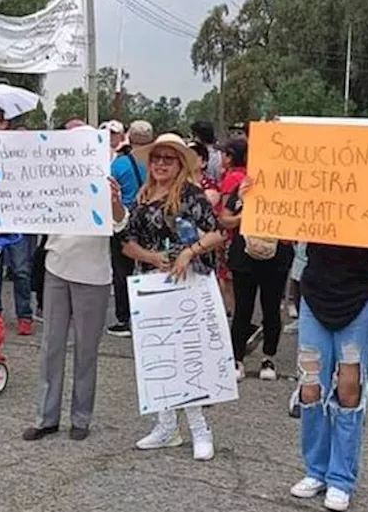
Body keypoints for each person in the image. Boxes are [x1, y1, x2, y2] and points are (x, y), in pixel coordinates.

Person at [290, 184, 368, 512]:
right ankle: (316, 470)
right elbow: (279, 228)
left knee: (349, 388)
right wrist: (257, 197)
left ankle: (341, 477)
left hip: (357, 297)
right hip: (315, 293)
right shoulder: (313, 183)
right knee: (310, 386)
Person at [122, 133, 224, 461]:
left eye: (168, 159)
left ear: (179, 163)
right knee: (159, 355)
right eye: (156, 159)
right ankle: (166, 426)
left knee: (189, 356)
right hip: (152, 282)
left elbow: (217, 231)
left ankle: (199, 428)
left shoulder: (191, 195)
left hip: (188, 280)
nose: (161, 164)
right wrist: (152, 258)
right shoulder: (143, 197)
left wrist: (187, 254)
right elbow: (127, 241)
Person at [23, 165, 128, 443]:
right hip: (56, 266)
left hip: (93, 275)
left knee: (86, 350)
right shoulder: (51, 180)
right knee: (51, 346)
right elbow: (23, 205)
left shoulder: (105, 184)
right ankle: (46, 417)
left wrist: (115, 201)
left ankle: (81, 417)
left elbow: (120, 223)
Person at [220, 138, 293, 382]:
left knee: (272, 310)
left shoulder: (289, 191)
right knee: (243, 308)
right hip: (245, 256)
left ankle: (268, 357)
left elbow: (297, 228)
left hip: (276, 257)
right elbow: (225, 220)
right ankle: (236, 358)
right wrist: (245, 208)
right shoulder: (243, 187)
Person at [0, 106, 35, 335]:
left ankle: (24, 314)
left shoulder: (22, 151)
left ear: (5, 125)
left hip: (18, 220)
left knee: (21, 270)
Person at [106, 120, 146, 337]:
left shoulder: (120, 164)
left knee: (122, 269)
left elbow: (109, 186)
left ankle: (124, 318)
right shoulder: (155, 161)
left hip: (124, 218)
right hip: (150, 219)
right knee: (149, 267)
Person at [216, 139, 248, 318]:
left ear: (230, 157)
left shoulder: (232, 178)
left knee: (227, 278)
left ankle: (230, 311)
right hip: (244, 234)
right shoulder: (248, 176)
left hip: (230, 233)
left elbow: (225, 209)